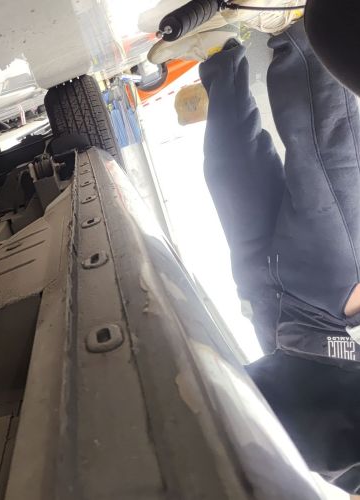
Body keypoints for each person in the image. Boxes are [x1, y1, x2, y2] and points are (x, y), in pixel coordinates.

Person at [147, 5, 360, 494]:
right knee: (322, 145)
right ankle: (293, 21)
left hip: (274, 316)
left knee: (231, 171)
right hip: (335, 306)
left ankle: (219, 52)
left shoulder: (336, 473)